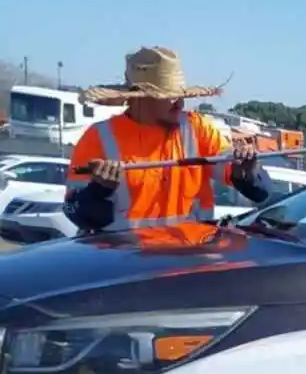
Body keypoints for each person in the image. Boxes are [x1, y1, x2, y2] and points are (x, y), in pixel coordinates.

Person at [64, 46, 265, 234]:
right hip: (125, 262)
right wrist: (99, 190)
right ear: (140, 97)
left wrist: (247, 173)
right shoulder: (99, 137)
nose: (180, 102)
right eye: (170, 96)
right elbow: (77, 213)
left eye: (181, 94)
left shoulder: (199, 129)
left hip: (186, 260)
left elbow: (260, 193)